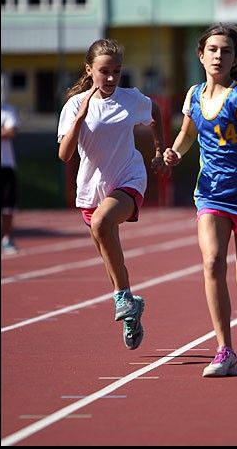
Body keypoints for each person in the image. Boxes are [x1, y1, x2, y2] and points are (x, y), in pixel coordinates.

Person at [163, 23, 237, 376]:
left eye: (226, 51)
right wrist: (175, 152)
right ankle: (224, 350)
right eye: (213, 50)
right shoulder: (193, 95)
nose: (218, 56)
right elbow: (187, 134)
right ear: (201, 55)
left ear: (235, 58)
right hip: (210, 195)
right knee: (213, 263)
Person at [57, 39, 167, 350]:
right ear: (89, 70)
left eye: (116, 71)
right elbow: (65, 155)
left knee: (102, 223)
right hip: (92, 187)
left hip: (128, 177)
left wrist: (159, 149)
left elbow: (154, 111)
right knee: (110, 255)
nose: (110, 78)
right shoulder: (74, 105)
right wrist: (80, 118)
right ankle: (129, 305)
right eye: (104, 71)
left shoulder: (130, 99)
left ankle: (122, 298)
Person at [1, 77, 20, 254]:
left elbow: (11, 131)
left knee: (8, 204)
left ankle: (7, 238)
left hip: (5, 164)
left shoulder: (8, 111)